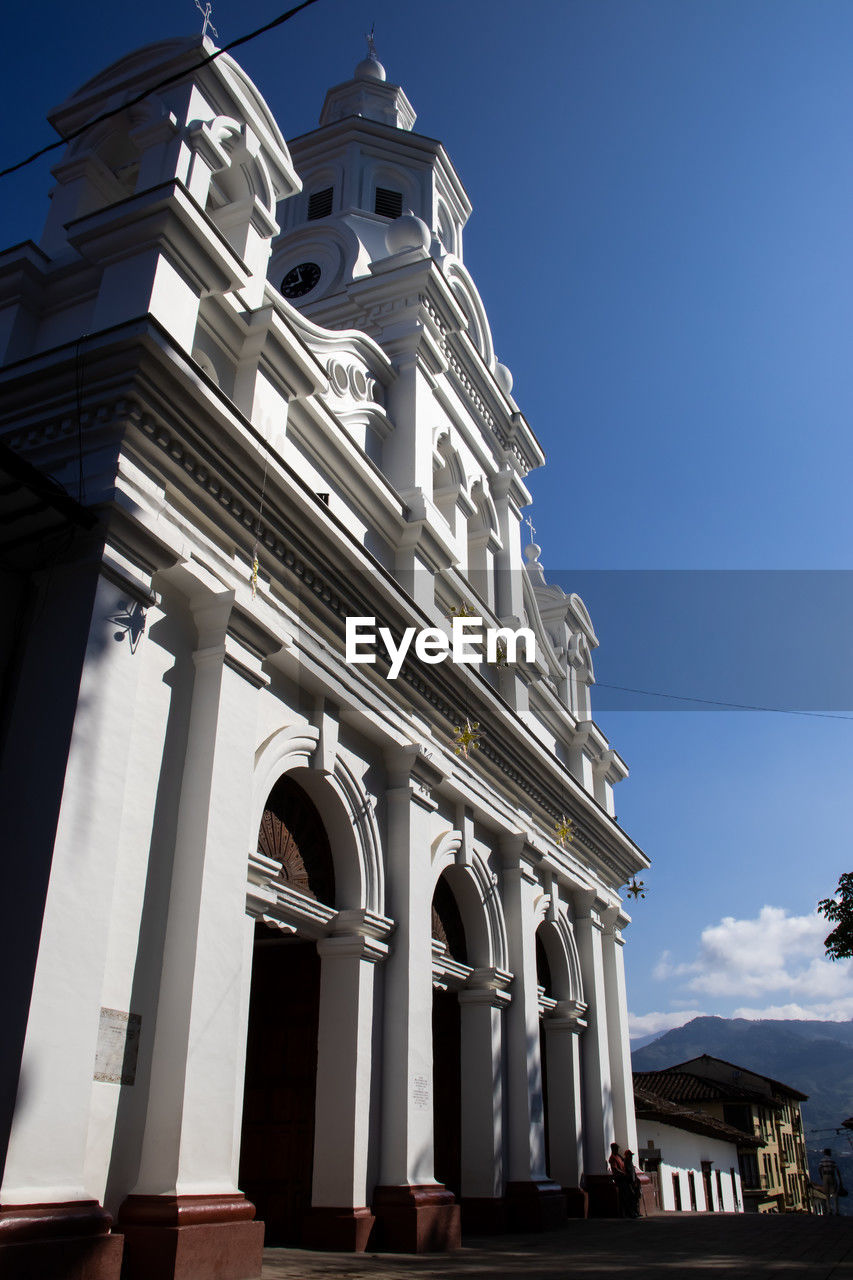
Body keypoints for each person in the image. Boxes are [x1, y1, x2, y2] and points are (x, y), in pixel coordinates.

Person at [819, 1148, 843, 1215]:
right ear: (829, 1153)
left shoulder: (822, 1161)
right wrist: (840, 1180)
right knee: (835, 1193)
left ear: (824, 1153)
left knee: (827, 1194)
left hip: (825, 1176)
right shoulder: (832, 1161)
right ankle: (837, 1210)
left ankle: (829, 1210)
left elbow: (819, 1168)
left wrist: (821, 1176)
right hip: (832, 1176)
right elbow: (837, 1170)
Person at [622, 1149, 642, 1218]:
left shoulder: (630, 1162)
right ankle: (632, 1213)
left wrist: (636, 1179)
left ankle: (636, 1212)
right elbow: (629, 1173)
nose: (631, 1157)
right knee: (631, 1198)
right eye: (630, 1155)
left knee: (635, 1198)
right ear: (627, 1155)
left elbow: (633, 1173)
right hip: (629, 1182)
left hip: (633, 1182)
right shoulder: (627, 1162)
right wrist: (633, 1181)